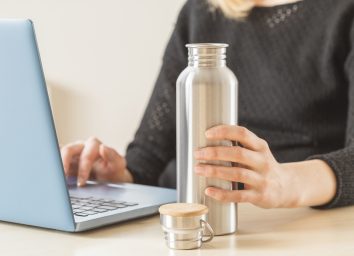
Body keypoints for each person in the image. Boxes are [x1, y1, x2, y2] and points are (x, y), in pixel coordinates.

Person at [60, 0, 354, 209]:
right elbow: (149, 155)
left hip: (290, 223)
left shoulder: (344, 13)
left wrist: (286, 183)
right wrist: (114, 177)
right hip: (182, 218)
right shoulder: (200, 11)